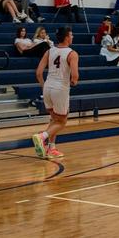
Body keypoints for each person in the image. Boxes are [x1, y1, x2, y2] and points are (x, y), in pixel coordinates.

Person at [32, 26, 78, 159]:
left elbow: (38, 73)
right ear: (66, 37)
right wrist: (73, 82)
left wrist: (44, 86)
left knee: (54, 119)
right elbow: (75, 77)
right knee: (62, 121)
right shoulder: (72, 53)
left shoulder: (49, 51)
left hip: (47, 87)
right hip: (60, 89)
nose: (72, 37)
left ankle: (51, 148)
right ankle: (42, 136)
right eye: (71, 35)